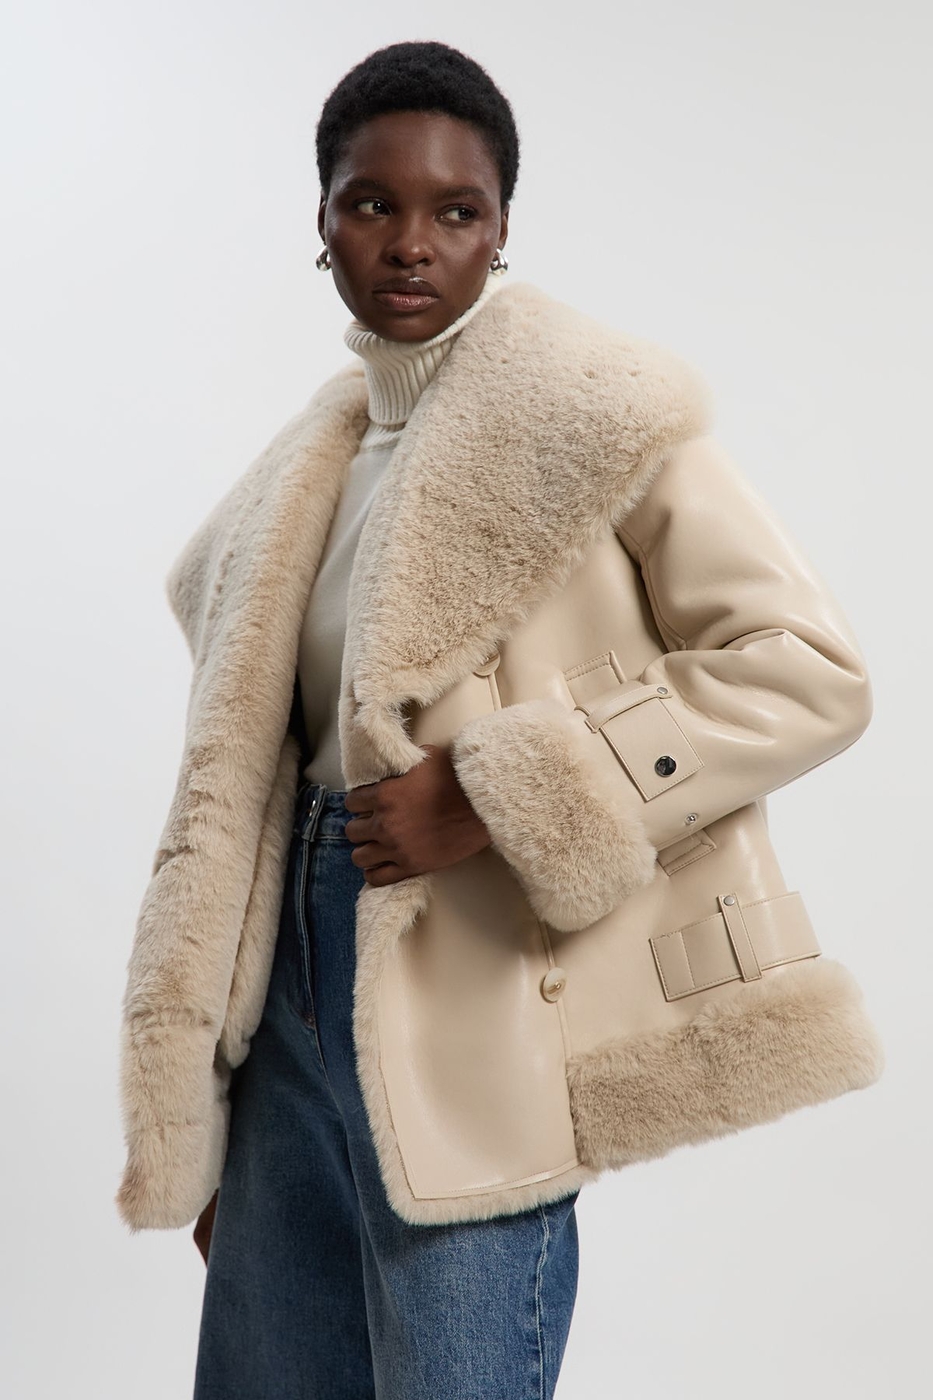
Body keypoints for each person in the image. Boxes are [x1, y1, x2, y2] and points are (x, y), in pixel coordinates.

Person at [115, 38, 883, 1400]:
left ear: (501, 230)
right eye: (372, 203)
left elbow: (807, 669)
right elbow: (250, 790)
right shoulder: (300, 478)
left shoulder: (601, 417)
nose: (411, 243)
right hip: (286, 1003)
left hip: (477, 981)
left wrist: (496, 790)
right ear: (322, 222)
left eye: (454, 210)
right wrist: (225, 1111)